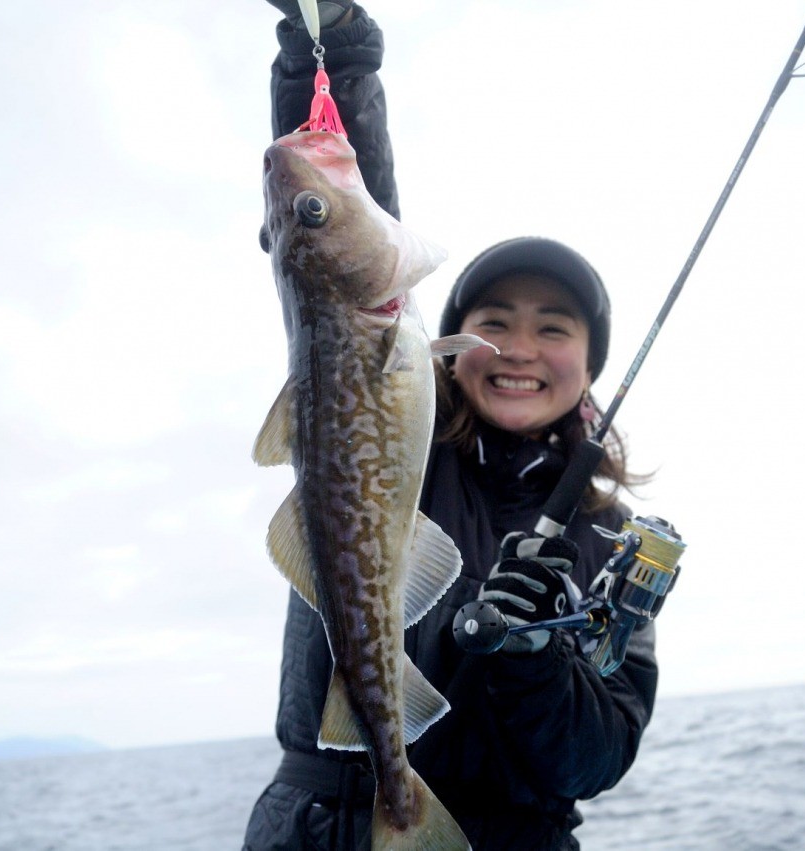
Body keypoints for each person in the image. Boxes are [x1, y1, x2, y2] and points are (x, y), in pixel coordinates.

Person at [244, 4, 659, 849]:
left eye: (554, 327)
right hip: (323, 827)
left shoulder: (612, 540)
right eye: (495, 320)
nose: (519, 349)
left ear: (590, 359)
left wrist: (536, 659)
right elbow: (343, 194)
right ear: (448, 338)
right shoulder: (407, 433)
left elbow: (599, 753)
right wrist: (329, 52)